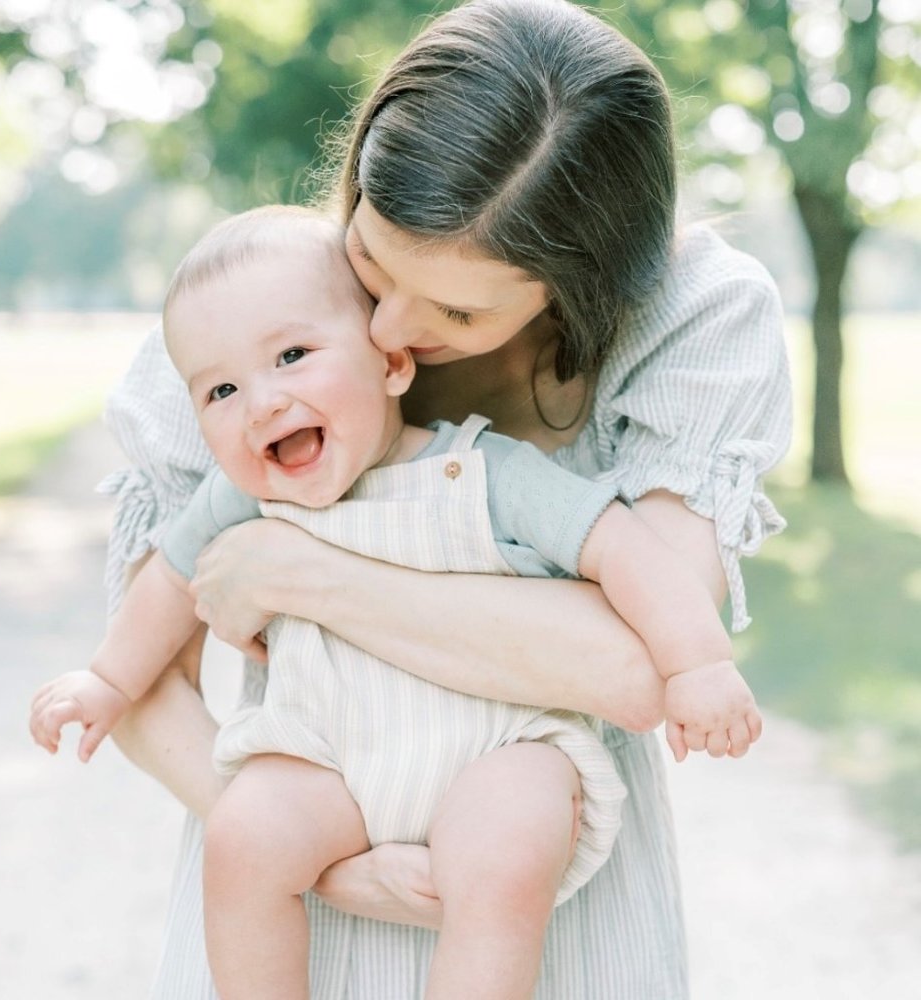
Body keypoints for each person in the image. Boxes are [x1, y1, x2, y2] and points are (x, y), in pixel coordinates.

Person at [100, 0, 791, 996]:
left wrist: (306, 574)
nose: (385, 326)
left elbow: (634, 663)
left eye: (457, 308)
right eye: (372, 257)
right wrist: (330, 861)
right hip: (291, 894)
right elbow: (135, 676)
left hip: (542, 906)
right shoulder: (249, 322)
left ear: (577, 293)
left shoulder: (694, 318)